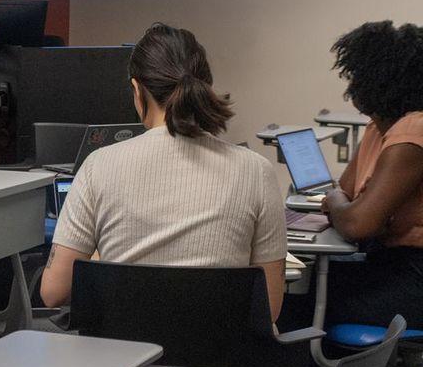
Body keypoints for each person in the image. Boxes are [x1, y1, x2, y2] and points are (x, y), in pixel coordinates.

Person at [40, 23, 287, 320]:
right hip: (221, 363)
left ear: (137, 91)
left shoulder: (98, 166)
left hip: (119, 363)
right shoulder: (256, 171)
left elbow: (53, 293)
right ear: (205, 87)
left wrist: (100, 258)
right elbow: (269, 309)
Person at [318, 20, 423, 328]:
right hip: (391, 262)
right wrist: (343, 202)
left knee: (302, 300)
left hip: (414, 275)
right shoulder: (380, 126)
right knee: (306, 285)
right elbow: (347, 192)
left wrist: (338, 203)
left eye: (354, 75)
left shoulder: (413, 129)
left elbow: (358, 222)